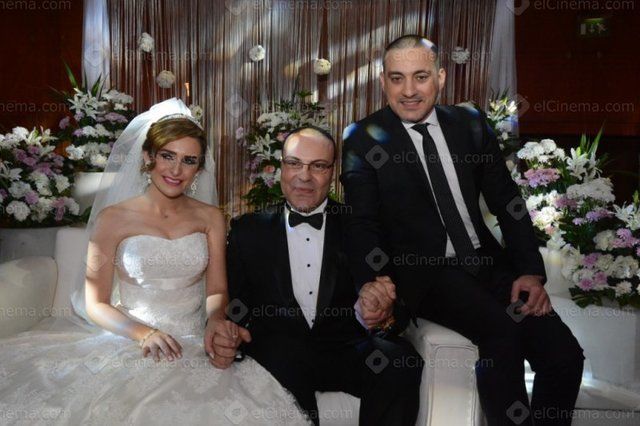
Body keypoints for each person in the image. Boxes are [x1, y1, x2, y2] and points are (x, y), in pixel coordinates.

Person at [0, 99, 306, 425]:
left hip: (192, 340)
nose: (176, 170)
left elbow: (217, 289)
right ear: (148, 157)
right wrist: (144, 334)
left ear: (199, 169)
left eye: (188, 160)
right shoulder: (113, 218)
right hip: (130, 339)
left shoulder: (211, 218)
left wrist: (216, 321)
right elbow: (95, 303)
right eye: (167, 156)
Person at [340, 35, 584, 426]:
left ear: (440, 77)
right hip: (426, 275)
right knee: (501, 333)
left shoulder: (469, 123)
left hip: (488, 264)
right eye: (397, 78)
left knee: (564, 354)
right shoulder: (363, 137)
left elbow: (507, 201)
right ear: (382, 81)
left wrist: (529, 271)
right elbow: (360, 222)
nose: (408, 90)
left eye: (420, 77)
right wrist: (374, 282)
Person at [222, 126, 422, 426]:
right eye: (294, 163)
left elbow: (400, 308)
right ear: (281, 167)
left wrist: (384, 311)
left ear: (332, 172)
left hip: (345, 349)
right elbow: (235, 307)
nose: (304, 176)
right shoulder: (247, 230)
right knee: (280, 358)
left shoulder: (363, 229)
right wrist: (231, 331)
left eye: (318, 166)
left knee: (400, 360)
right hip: (279, 353)